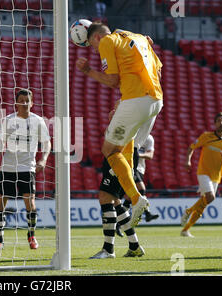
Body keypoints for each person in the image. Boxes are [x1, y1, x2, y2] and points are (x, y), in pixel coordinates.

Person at [76, 22, 163, 227]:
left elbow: (113, 81)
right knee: (127, 146)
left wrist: (89, 71)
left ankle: (136, 199)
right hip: (156, 100)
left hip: (137, 100)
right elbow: (158, 72)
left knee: (109, 149)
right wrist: (125, 101)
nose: (96, 50)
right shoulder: (140, 37)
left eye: (92, 46)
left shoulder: (106, 40)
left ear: (96, 38)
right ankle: (134, 201)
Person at [0, 89, 51, 251]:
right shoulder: (9, 120)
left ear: (32, 103)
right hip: (8, 168)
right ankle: (0, 240)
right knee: (0, 203)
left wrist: (43, 159)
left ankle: (31, 235)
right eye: (21, 100)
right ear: (16, 103)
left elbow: (47, 143)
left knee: (30, 202)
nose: (24, 103)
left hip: (27, 167)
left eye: (27, 101)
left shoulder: (38, 121)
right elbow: (1, 139)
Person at [90, 107, 145, 259]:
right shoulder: (121, 123)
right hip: (118, 156)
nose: (112, 111)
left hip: (119, 157)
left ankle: (108, 249)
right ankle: (134, 245)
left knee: (105, 197)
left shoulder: (127, 119)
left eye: (117, 109)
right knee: (115, 202)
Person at [180, 112, 222, 237]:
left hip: (216, 176)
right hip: (203, 172)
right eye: (219, 120)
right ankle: (188, 212)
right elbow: (191, 147)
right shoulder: (206, 136)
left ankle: (185, 229)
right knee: (211, 197)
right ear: (215, 123)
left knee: (204, 203)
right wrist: (188, 160)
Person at [132, 134, 159, 222]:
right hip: (131, 167)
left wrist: (136, 155)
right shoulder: (132, 134)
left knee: (130, 197)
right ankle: (144, 213)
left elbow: (150, 155)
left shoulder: (149, 138)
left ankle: (119, 223)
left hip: (140, 169)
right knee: (141, 189)